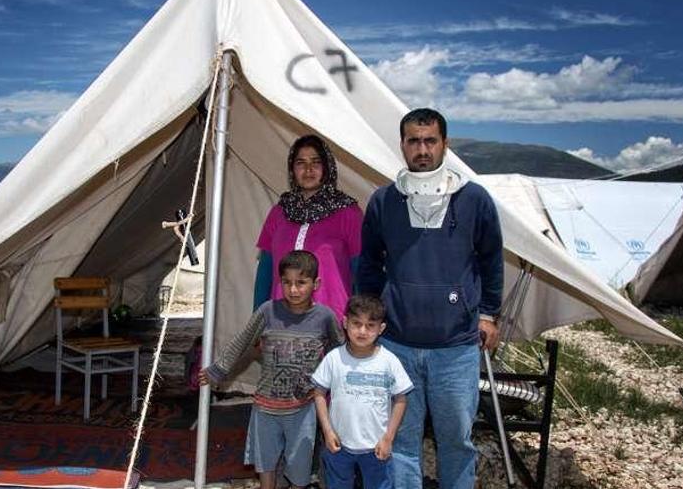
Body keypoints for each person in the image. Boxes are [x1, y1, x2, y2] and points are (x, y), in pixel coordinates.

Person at [356, 108, 503, 488]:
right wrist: (367, 325)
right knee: (401, 441)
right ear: (402, 145)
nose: (422, 150)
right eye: (414, 141)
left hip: (455, 347)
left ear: (444, 144)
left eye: (430, 141)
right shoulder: (383, 201)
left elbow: (491, 260)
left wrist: (488, 314)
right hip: (398, 344)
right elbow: (370, 266)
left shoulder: (474, 200)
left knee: (456, 440)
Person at [200, 250, 343, 489]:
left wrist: (346, 384)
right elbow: (243, 340)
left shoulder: (325, 317)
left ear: (316, 283)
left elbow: (339, 354)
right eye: (287, 282)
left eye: (301, 283)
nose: (293, 290)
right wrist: (219, 369)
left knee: (300, 463)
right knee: (265, 461)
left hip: (303, 408)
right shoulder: (268, 311)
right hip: (266, 407)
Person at [255, 134, 363, 322]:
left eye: (316, 162)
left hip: (331, 322)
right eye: (300, 163)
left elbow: (361, 272)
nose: (308, 170)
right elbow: (265, 272)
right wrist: (256, 320)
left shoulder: (348, 212)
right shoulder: (279, 212)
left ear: (327, 167)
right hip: (281, 322)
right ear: (292, 169)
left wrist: (359, 320)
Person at [312, 294, 412, 489]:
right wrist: (327, 430)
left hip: (376, 447)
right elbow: (318, 393)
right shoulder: (334, 359)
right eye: (357, 323)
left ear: (381, 328)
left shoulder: (389, 361)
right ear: (345, 322)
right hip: (338, 445)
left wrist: (388, 438)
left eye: (370, 325)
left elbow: (401, 398)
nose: (362, 331)